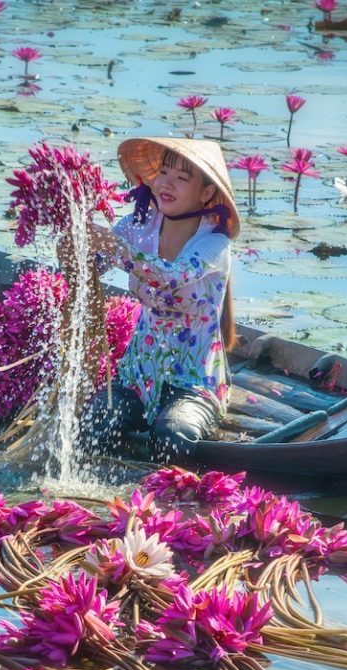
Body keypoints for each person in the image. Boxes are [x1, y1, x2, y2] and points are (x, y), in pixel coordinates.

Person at [82, 136, 240, 462]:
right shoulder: (137, 226)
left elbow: (168, 278)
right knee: (93, 428)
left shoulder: (213, 244)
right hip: (136, 375)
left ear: (206, 193)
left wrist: (114, 247)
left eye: (182, 178)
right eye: (164, 173)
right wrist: (75, 238)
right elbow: (92, 268)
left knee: (171, 437)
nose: (167, 184)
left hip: (195, 381)